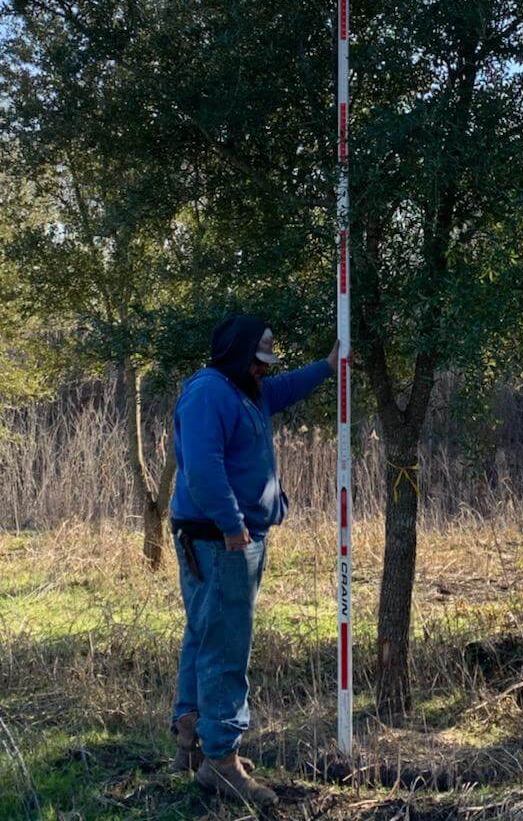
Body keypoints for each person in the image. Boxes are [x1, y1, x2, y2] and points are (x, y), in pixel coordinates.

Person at [168, 313, 338, 806]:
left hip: (225, 537)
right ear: (239, 353)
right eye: (259, 359)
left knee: (205, 633)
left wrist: (327, 366)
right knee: (226, 645)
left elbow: (283, 388)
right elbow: (201, 467)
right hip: (221, 542)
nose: (265, 369)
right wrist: (231, 525)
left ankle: (192, 738)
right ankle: (221, 761)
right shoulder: (209, 393)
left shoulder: (245, 390)